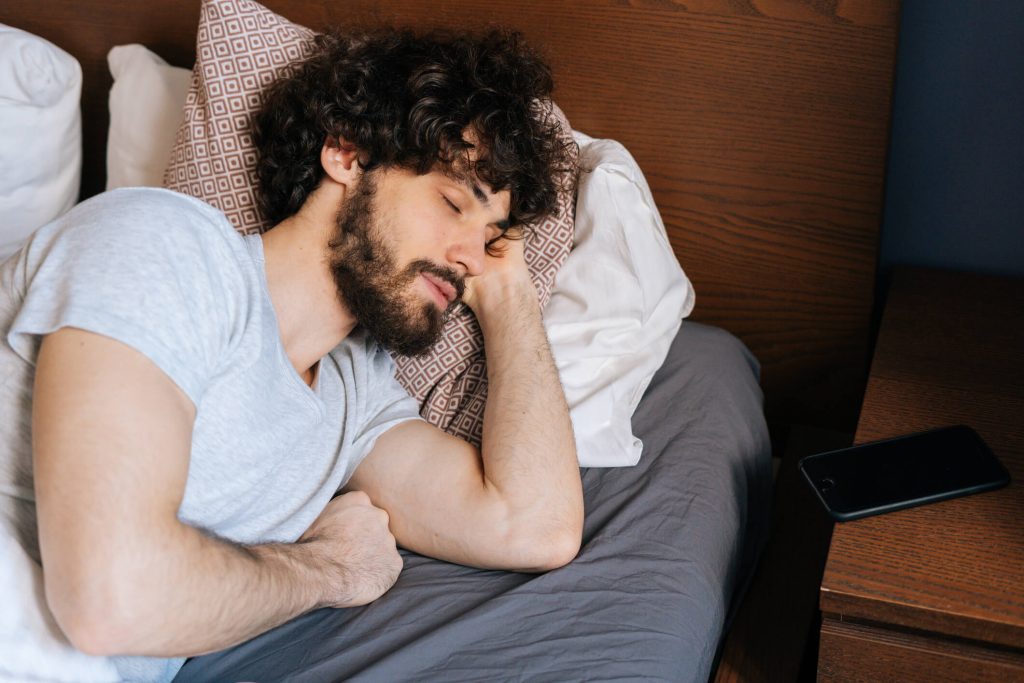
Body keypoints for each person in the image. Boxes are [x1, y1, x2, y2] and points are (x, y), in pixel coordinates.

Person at [0, 28, 583, 682]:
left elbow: (537, 527)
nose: (470, 256)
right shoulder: (165, 248)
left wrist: (509, 297)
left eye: (491, 239)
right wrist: (329, 568)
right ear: (347, 153)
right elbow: (107, 600)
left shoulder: (354, 400)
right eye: (453, 202)